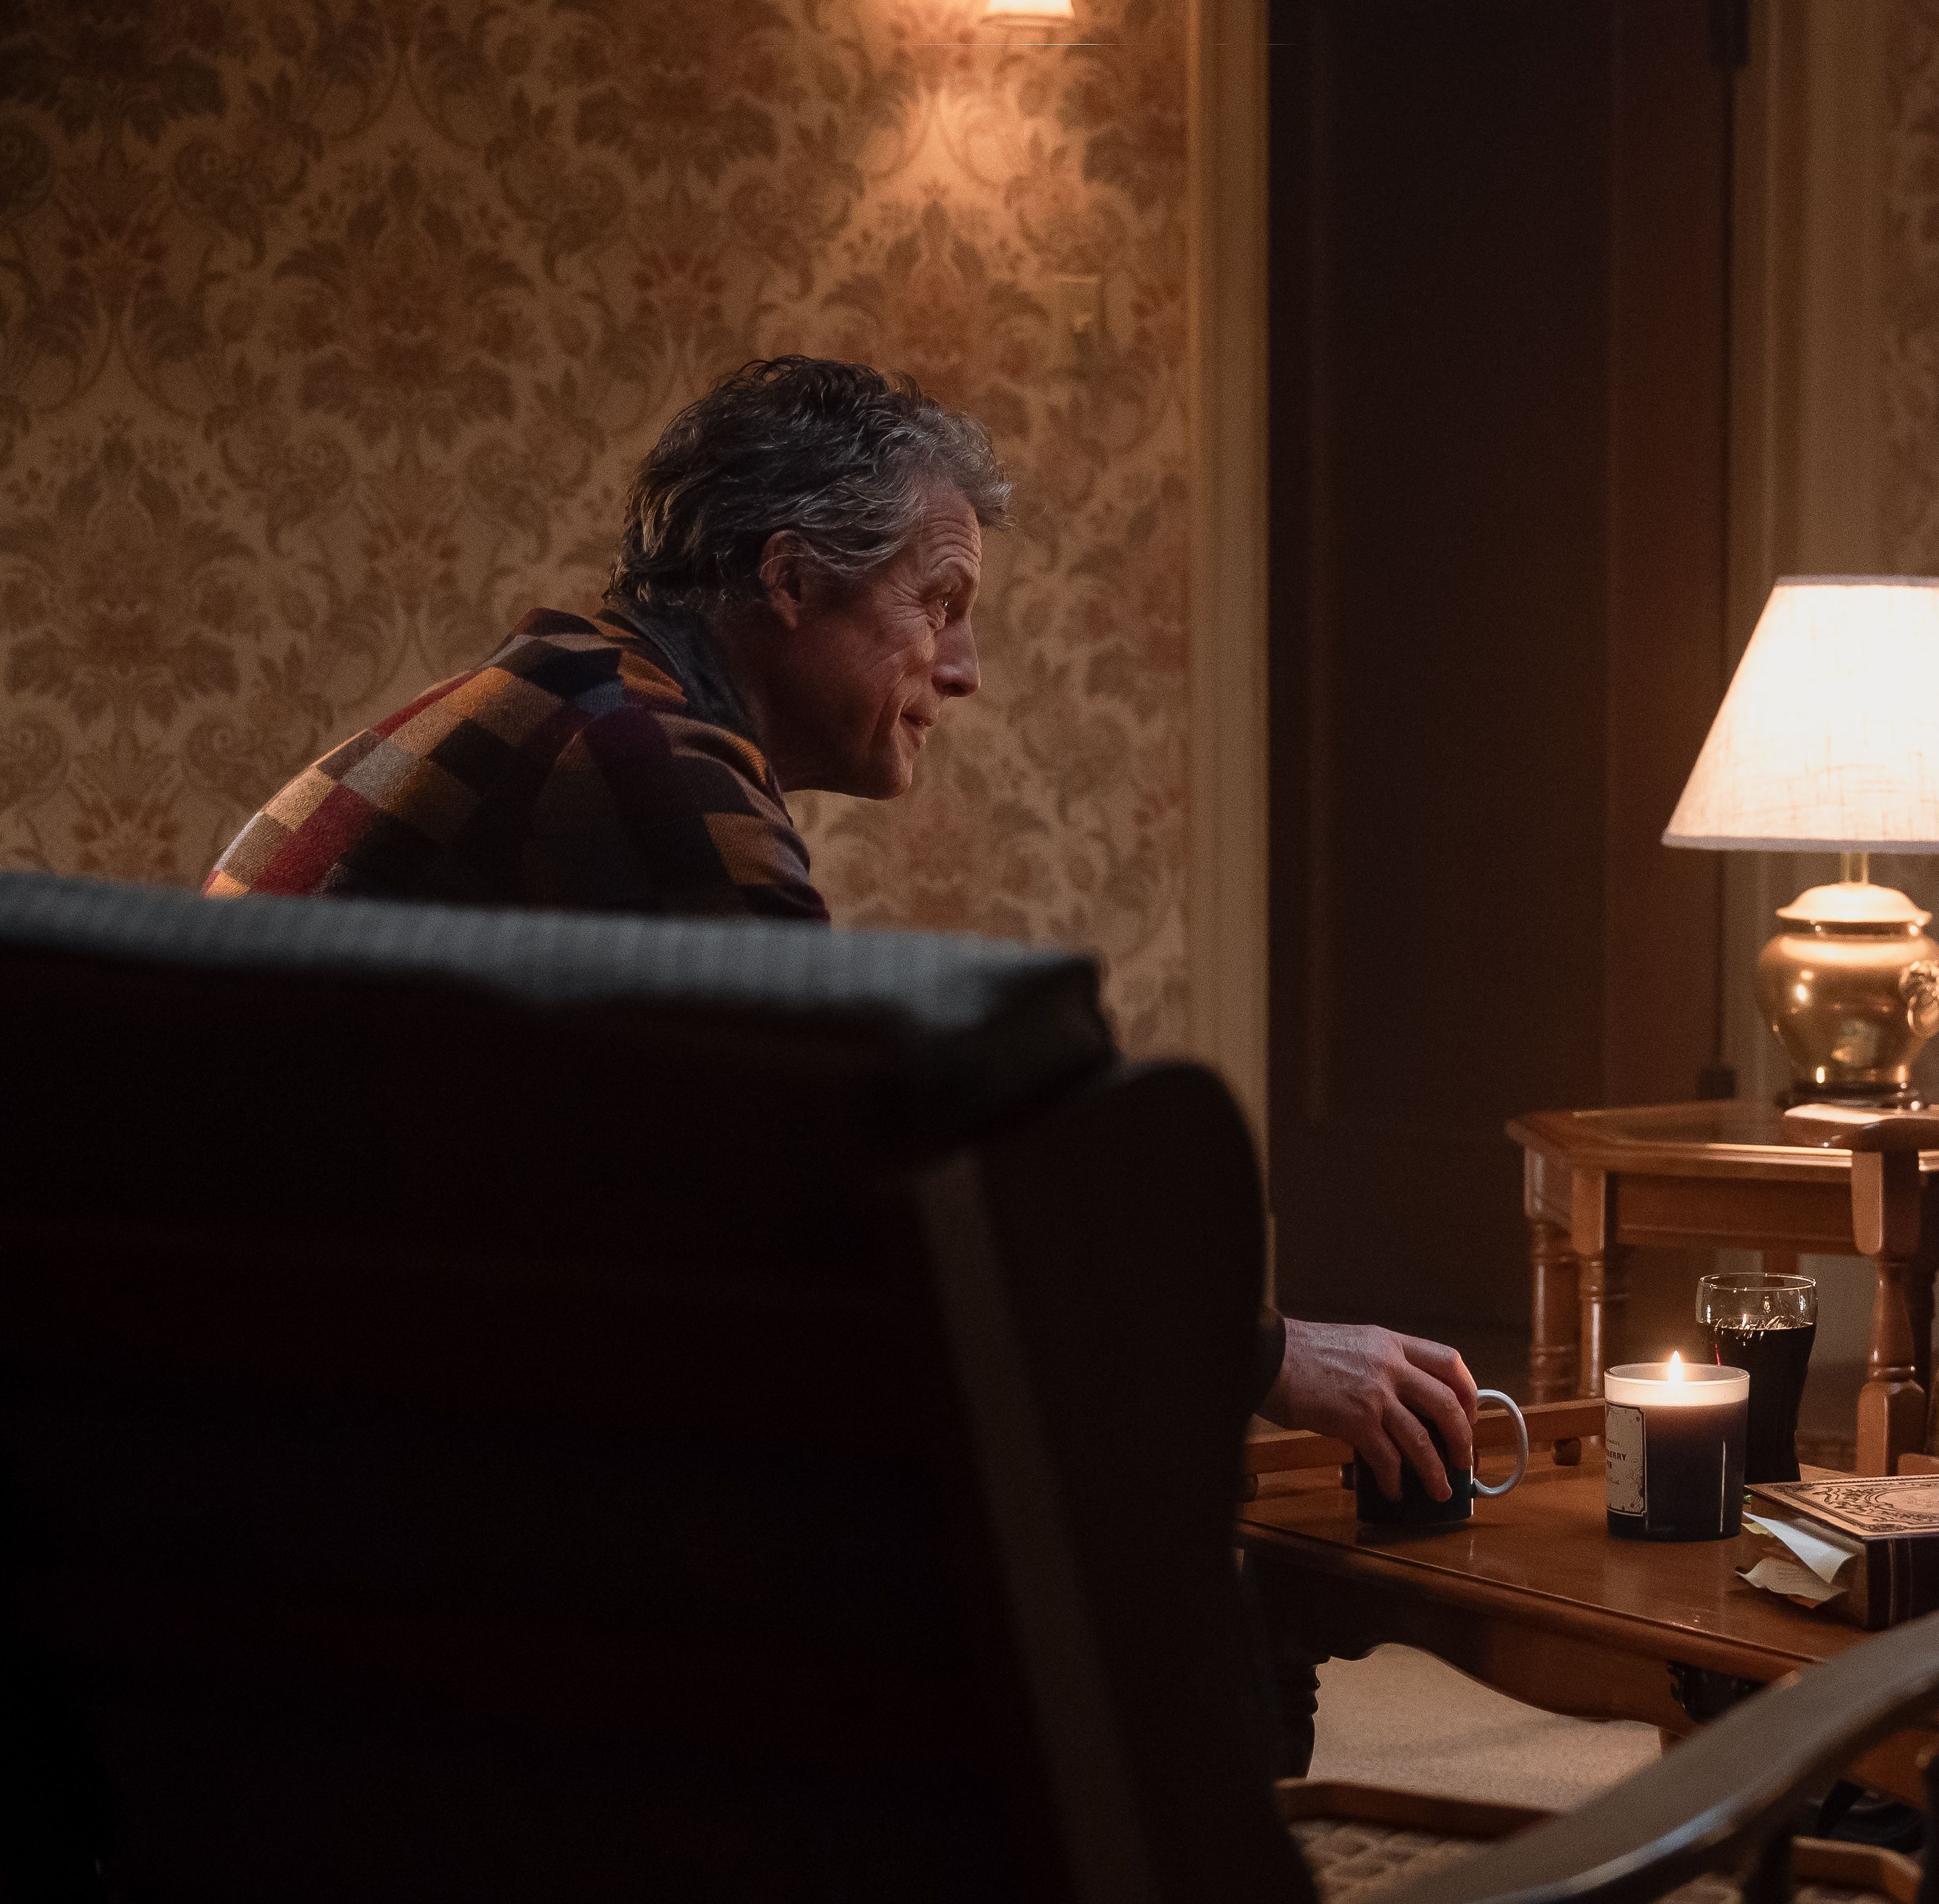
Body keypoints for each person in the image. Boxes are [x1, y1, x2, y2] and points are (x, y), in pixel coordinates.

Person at [203, 354, 1480, 1532]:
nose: (965, 668)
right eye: (941, 602)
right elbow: (900, 1165)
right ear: (792, 577)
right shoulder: (645, 767)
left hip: (242, 1386)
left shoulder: (571, 701)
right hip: (343, 1456)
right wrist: (1258, 1353)